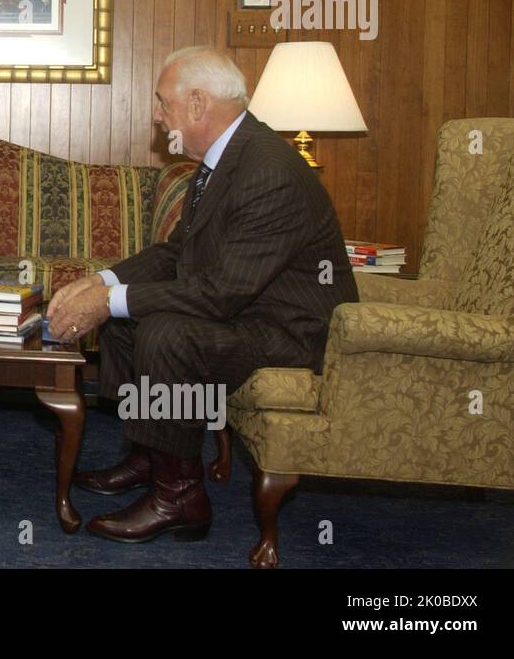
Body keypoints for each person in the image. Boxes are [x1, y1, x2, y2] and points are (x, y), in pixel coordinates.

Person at [46, 45, 358, 542]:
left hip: (290, 331)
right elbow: (176, 254)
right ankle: (151, 456)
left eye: (162, 102)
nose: (155, 114)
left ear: (197, 103)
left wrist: (109, 301)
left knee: (169, 332)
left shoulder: (268, 171)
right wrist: (102, 282)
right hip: (247, 311)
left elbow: (221, 293)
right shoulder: (222, 159)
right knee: (128, 322)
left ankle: (181, 494)